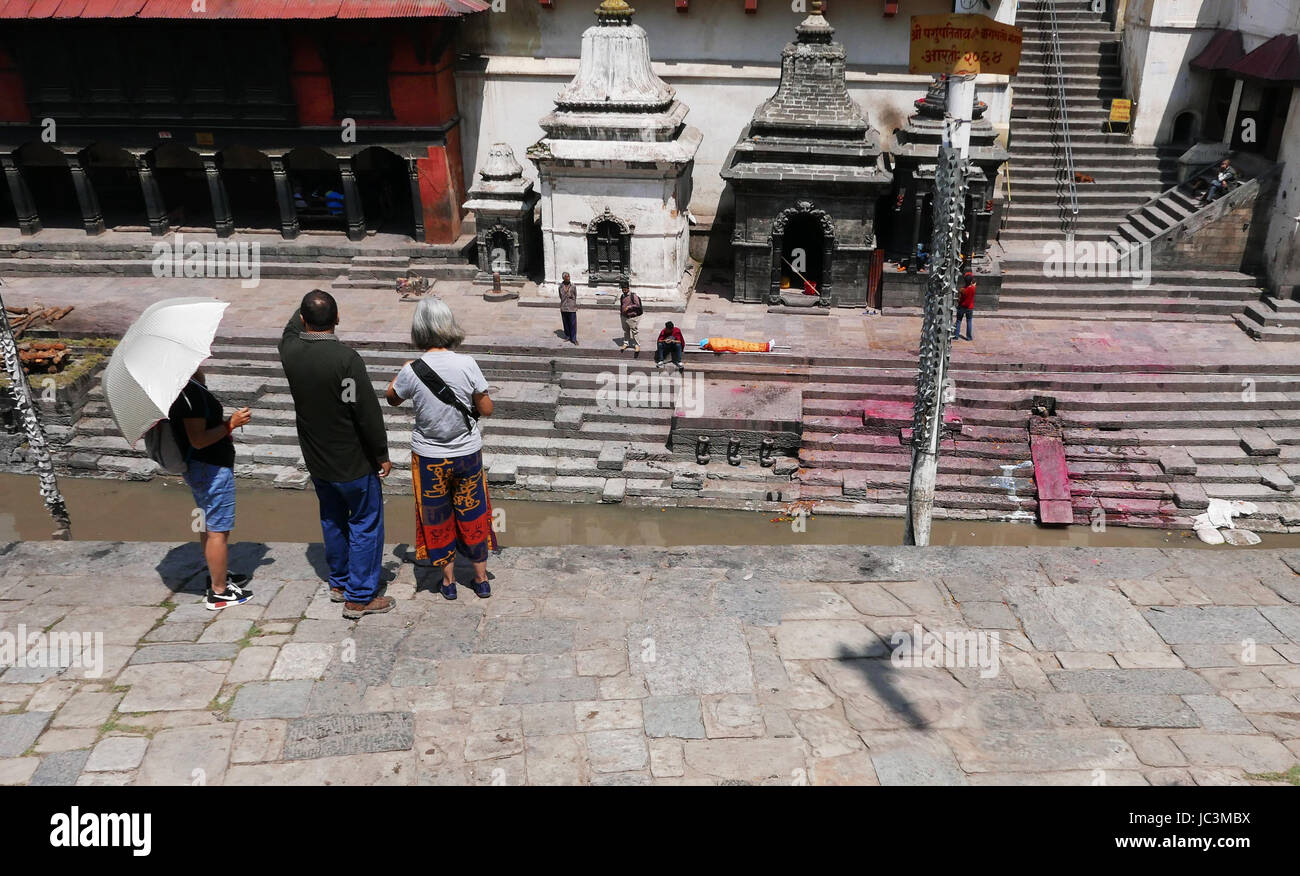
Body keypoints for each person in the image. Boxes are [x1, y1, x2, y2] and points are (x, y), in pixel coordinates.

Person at [278, 289, 394, 619]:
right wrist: (381, 452)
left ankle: (340, 582)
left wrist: (305, 307)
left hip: (317, 458)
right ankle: (359, 597)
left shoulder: (289, 350)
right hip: (353, 461)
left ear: (302, 320)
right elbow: (365, 411)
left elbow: (290, 327)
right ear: (338, 319)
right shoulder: (345, 360)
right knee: (364, 523)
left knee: (332, 519)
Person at [385, 298, 498, 601]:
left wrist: (404, 371)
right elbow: (486, 409)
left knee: (438, 517)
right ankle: (481, 578)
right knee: (473, 513)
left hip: (429, 458)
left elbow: (391, 398)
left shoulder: (412, 370)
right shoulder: (467, 363)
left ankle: (447, 582)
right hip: (467, 454)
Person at [168, 368, 254, 611]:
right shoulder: (190, 395)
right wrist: (231, 424)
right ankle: (219, 592)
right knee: (218, 529)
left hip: (205, 467)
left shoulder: (189, 387)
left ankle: (218, 576)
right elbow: (198, 439)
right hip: (211, 469)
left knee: (208, 523)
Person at [618, 281, 642, 353]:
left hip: (632, 317)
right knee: (626, 331)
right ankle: (626, 343)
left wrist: (629, 307)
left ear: (628, 288)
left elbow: (637, 305)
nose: (624, 290)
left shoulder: (633, 296)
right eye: (623, 289)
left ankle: (637, 345)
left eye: (625, 289)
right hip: (624, 316)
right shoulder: (622, 296)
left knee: (634, 331)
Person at [953, 273, 975, 341]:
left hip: (962, 306)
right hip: (970, 307)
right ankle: (969, 337)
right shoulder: (973, 288)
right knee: (969, 321)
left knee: (959, 321)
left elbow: (959, 299)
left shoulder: (962, 289)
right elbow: (973, 284)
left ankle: (956, 335)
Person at [558, 271, 578, 344]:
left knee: (573, 323)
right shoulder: (560, 286)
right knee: (565, 323)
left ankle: (574, 338)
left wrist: (572, 303)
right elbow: (560, 295)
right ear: (563, 278)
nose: (568, 278)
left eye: (569, 276)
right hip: (563, 307)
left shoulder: (573, 286)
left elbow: (575, 295)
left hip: (571, 307)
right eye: (567, 277)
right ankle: (567, 336)